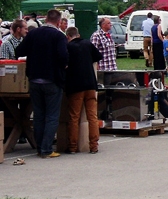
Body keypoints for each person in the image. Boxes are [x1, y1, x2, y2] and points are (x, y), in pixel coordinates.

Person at [15, 9, 69, 158]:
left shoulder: (33, 34)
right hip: (52, 80)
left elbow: (19, 51)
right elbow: (63, 55)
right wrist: (64, 65)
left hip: (34, 79)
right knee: (52, 115)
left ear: (45, 19)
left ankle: (39, 147)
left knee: (38, 115)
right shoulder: (59, 36)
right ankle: (46, 149)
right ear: (58, 22)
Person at [64, 26, 102, 154]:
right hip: (90, 84)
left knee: (74, 117)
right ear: (78, 35)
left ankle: (72, 146)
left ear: (68, 37)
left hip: (75, 86)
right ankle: (94, 146)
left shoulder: (68, 47)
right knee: (92, 116)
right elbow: (98, 56)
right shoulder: (87, 44)